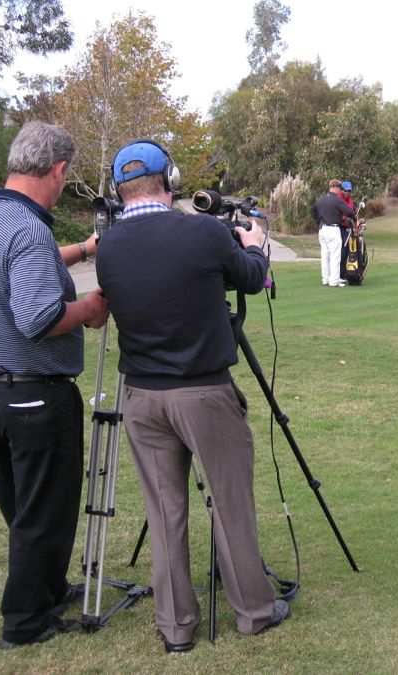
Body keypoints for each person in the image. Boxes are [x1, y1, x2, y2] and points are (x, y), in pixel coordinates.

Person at [95, 139, 290, 653]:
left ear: (121, 187)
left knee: (164, 513)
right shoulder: (202, 231)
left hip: (141, 395)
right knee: (230, 504)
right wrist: (251, 241)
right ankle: (253, 610)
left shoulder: (109, 244)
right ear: (169, 179)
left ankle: (177, 627)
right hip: (203, 391)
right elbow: (251, 279)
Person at [0, 121, 109, 650]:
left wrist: (83, 250)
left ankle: (47, 588)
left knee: (25, 508)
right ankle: (25, 624)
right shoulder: (28, 229)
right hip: (32, 395)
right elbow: (40, 315)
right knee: (43, 513)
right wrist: (89, 309)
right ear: (58, 169)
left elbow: (21, 265)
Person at [312, 179, 356, 287]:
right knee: (335, 255)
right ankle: (334, 281)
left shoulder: (321, 199)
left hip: (322, 229)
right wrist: (353, 218)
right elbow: (349, 211)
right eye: (340, 188)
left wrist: (318, 221)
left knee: (325, 254)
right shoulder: (336, 200)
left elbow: (313, 211)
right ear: (336, 188)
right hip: (333, 229)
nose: (340, 191)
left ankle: (325, 279)